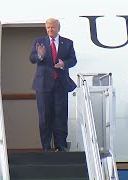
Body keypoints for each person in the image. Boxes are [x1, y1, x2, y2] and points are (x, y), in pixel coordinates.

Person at [29, 18, 77, 152]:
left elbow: (73, 60)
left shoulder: (67, 43)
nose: (50, 30)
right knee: (45, 116)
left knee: (60, 115)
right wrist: (39, 55)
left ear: (58, 28)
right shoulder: (39, 42)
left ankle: (60, 145)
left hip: (60, 84)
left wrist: (64, 64)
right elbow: (32, 58)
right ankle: (45, 147)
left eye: (53, 28)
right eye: (48, 27)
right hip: (43, 85)